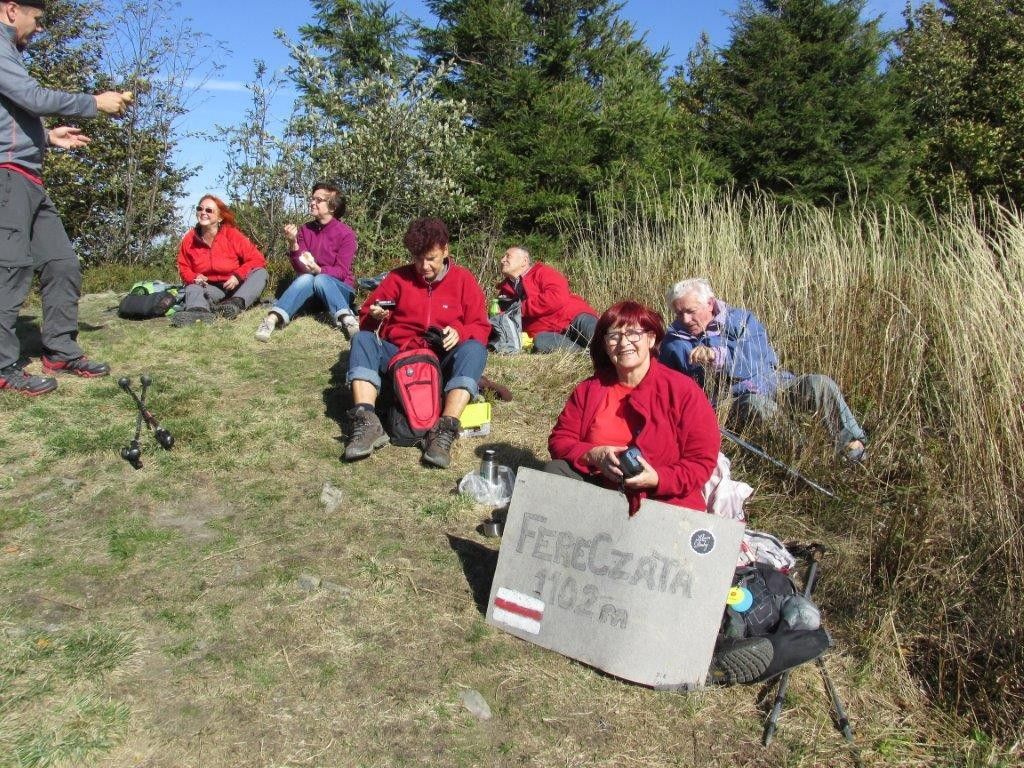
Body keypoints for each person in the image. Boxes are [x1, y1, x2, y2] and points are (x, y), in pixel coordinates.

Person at [0, 0, 132, 394]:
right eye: (36, 19)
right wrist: (94, 103)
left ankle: (59, 349)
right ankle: (3, 367)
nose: (39, 29)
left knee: (62, 263)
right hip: (7, 176)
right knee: (11, 269)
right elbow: (34, 98)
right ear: (10, 9)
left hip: (29, 176)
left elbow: (14, 112)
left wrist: (47, 137)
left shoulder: (10, 52)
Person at [660, 278, 868, 462]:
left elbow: (755, 358)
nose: (685, 320)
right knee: (757, 404)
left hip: (773, 382)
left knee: (819, 384)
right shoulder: (673, 344)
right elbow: (676, 390)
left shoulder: (741, 319)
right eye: (679, 314)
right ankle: (805, 454)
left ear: (710, 303)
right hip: (732, 401)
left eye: (690, 311)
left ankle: (852, 443)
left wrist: (717, 355)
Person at [547, 301, 720, 514]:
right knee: (555, 472)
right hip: (600, 492)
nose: (624, 342)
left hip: (663, 500)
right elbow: (560, 440)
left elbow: (700, 461)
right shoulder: (589, 389)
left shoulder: (683, 390)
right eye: (614, 336)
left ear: (651, 338)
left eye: (633, 333)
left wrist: (657, 478)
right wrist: (594, 455)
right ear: (605, 345)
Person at [344, 217, 490, 468]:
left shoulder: (464, 281)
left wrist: (459, 331)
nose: (423, 266)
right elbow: (367, 317)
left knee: (475, 349)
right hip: (400, 356)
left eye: (431, 258)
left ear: (446, 250)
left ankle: (444, 430)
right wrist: (375, 316)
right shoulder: (397, 278)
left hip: (442, 359)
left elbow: (482, 327)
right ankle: (367, 421)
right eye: (417, 258)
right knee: (362, 339)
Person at [255, 182, 359, 342]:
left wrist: (318, 270)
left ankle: (348, 319)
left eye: (318, 200)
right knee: (307, 278)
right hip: (312, 291)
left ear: (332, 207)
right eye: (312, 199)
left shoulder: (346, 234)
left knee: (321, 278)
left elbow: (341, 272)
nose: (312, 203)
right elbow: (300, 267)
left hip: (340, 290)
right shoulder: (305, 230)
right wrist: (293, 243)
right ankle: (272, 319)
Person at [174, 195, 268, 327]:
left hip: (237, 286)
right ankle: (198, 313)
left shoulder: (232, 234)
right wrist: (194, 277)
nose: (203, 213)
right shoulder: (190, 239)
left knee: (261, 273)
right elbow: (184, 266)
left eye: (209, 210)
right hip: (211, 288)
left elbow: (258, 259)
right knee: (193, 287)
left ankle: (234, 305)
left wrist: (237, 275)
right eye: (200, 209)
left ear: (220, 218)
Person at [497, 246, 597, 352]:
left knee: (600, 340)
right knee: (540, 343)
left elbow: (557, 297)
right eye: (503, 257)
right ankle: (586, 353)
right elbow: (503, 318)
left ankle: (598, 351)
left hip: (574, 318)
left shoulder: (542, 272)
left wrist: (519, 308)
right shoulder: (505, 291)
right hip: (550, 334)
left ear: (524, 261)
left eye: (508, 256)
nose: (502, 260)